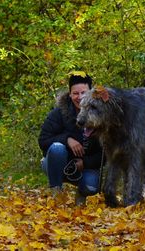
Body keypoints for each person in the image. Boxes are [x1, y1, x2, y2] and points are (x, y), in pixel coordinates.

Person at [38, 72, 104, 206]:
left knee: (91, 187)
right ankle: (56, 192)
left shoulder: (101, 115)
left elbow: (106, 154)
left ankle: (81, 193)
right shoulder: (59, 112)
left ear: (91, 93)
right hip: (59, 163)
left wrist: (85, 163)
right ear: (69, 94)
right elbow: (43, 140)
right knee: (57, 148)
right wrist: (67, 139)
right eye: (75, 93)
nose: (79, 97)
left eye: (83, 93)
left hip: (87, 168)